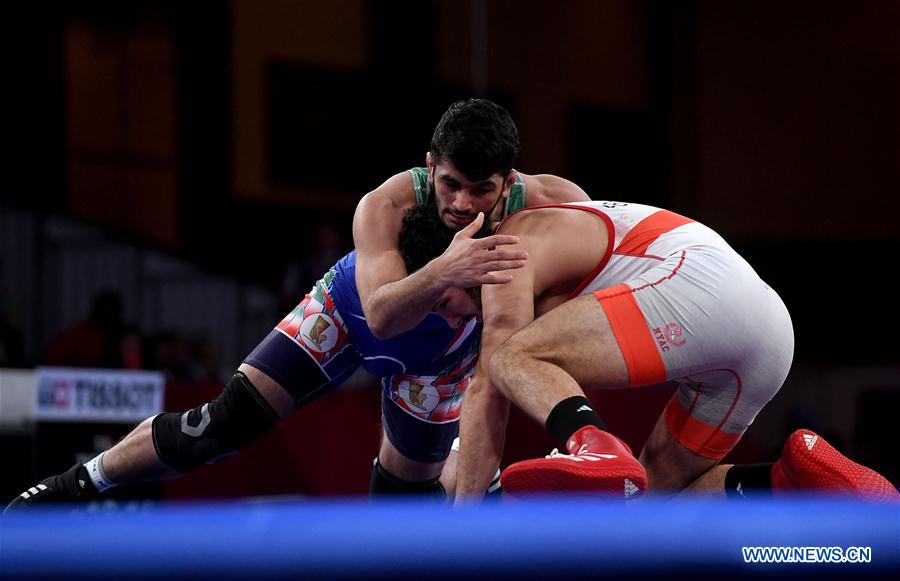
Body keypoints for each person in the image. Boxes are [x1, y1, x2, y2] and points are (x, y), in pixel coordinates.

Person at [6, 99, 589, 509]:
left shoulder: (554, 208)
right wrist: (447, 271)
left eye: (480, 189)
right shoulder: (384, 204)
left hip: (442, 359)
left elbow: (594, 286)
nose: (462, 204)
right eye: (450, 183)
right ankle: (70, 488)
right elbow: (382, 316)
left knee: (402, 502)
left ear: (507, 179)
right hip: (353, 310)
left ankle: (461, 489)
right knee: (218, 426)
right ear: (431, 165)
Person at [398, 200, 899, 501]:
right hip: (768, 333)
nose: (452, 318)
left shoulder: (504, 251)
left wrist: (462, 528)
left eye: (444, 300)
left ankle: (594, 447)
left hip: (704, 287)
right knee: (652, 505)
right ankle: (789, 479)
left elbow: (492, 383)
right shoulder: (559, 223)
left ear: (461, 256)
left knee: (510, 357)